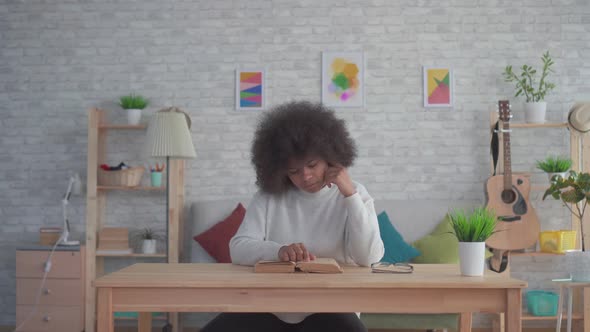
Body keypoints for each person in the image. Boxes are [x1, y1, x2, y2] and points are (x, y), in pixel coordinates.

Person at [201, 101, 384, 332]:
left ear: (331, 157)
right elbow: (238, 247)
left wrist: (350, 194)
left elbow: (369, 258)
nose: (305, 176)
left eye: (312, 165)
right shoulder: (269, 196)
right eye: (294, 171)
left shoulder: (354, 194)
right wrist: (278, 251)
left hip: (332, 306)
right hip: (271, 306)